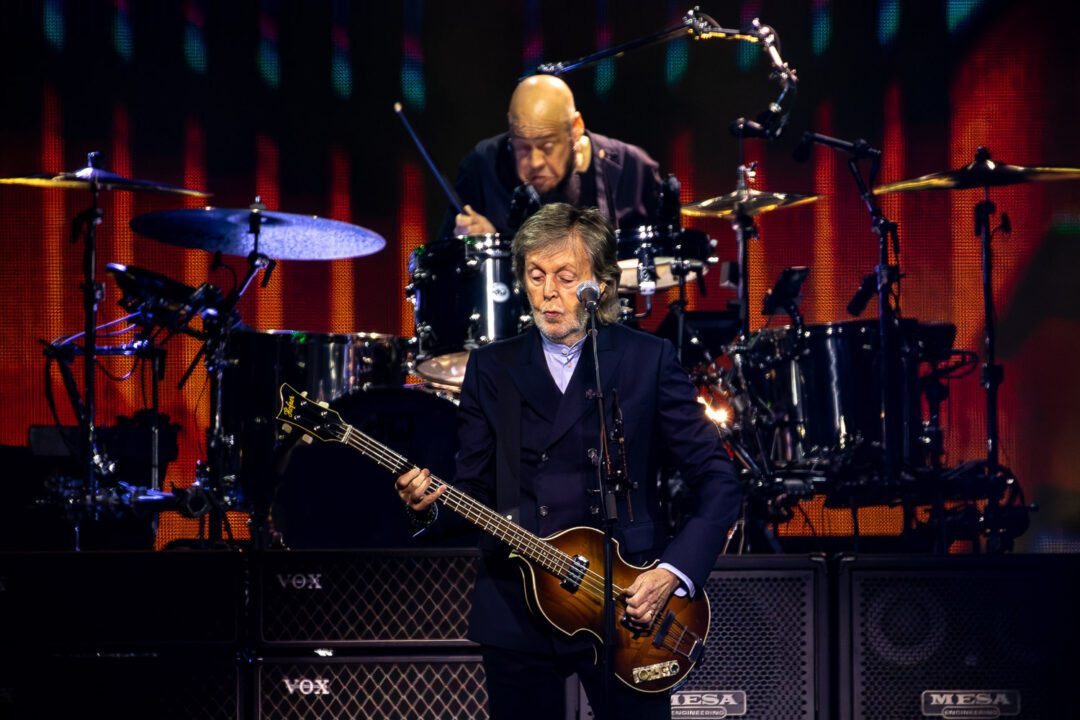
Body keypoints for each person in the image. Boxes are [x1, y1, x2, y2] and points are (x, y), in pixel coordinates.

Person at [397, 203, 741, 719]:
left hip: (629, 603)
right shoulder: (493, 366)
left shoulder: (647, 359)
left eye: (565, 276)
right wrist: (428, 506)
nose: (548, 292)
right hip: (517, 600)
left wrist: (672, 572)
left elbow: (718, 480)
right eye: (536, 276)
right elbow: (474, 488)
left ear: (600, 285)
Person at [439, 74, 662, 240]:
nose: (534, 162)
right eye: (522, 147)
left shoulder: (629, 168)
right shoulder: (483, 165)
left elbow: (666, 257)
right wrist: (482, 245)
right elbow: (443, 264)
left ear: (575, 128)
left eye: (546, 146)